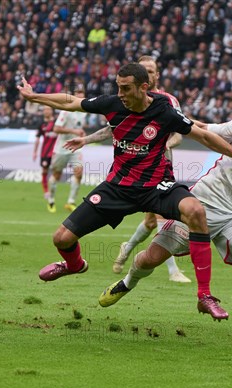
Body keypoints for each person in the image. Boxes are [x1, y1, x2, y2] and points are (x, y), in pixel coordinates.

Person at [17, 62, 232, 320]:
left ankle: (204, 296)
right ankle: (74, 266)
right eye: (118, 87)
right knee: (61, 239)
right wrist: (35, 96)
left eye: (126, 88)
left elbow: (202, 136)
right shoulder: (111, 104)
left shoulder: (164, 110)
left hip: (156, 186)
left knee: (195, 211)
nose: (120, 93)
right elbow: (72, 102)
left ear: (144, 87)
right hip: (118, 187)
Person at [98, 96, 232, 347]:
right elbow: (204, 129)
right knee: (151, 257)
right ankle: (126, 283)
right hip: (201, 204)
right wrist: (174, 119)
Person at [68, 56, 191, 283]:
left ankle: (128, 248)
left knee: (153, 221)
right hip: (133, 171)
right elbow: (112, 129)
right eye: (145, 70)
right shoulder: (124, 101)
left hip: (160, 168)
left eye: (152, 71)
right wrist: (86, 139)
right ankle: (171, 269)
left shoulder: (168, 101)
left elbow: (179, 133)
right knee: (157, 219)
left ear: (156, 76)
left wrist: (163, 144)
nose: (149, 73)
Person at [49, 86, 87, 212]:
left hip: (75, 148)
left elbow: (79, 127)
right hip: (62, 148)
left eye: (82, 93)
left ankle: (70, 202)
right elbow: (56, 129)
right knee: (57, 174)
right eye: (78, 93)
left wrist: (81, 134)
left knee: (79, 172)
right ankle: (51, 200)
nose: (80, 96)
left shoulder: (84, 112)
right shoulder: (66, 111)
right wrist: (74, 131)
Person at [32, 106, 58, 212]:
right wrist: (35, 152)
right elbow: (37, 139)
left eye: (48, 109)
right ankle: (46, 192)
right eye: (44, 110)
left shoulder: (57, 123)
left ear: (52, 111)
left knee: (56, 172)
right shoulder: (41, 124)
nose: (46, 111)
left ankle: (51, 193)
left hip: (56, 153)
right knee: (45, 171)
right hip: (45, 153)